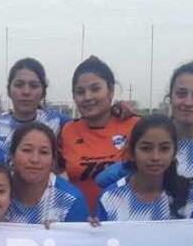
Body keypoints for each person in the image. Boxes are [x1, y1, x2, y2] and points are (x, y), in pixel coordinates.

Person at [96, 55, 193, 213]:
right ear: (170, 97)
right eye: (181, 94)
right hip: (163, 229)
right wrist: (128, 167)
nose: (188, 102)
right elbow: (103, 180)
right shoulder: (155, 138)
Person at [59, 56, 140, 212]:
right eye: (80, 92)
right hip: (81, 224)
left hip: (125, 222)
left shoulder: (135, 126)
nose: (87, 97)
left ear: (110, 91)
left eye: (95, 89)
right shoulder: (66, 131)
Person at [96, 115, 193, 221]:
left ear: (174, 152)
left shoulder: (188, 195)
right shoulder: (110, 197)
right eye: (146, 148)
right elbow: (102, 236)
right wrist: (92, 230)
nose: (155, 157)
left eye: (164, 148)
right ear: (131, 152)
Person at [5, 122, 88, 225]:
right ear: (12, 156)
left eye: (44, 152)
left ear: (53, 160)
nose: (35, 159)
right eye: (27, 150)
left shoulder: (71, 200)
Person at [0, 58, 71, 152]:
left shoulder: (59, 124)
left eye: (34, 86)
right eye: (19, 85)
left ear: (43, 92)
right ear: (9, 90)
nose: (26, 92)